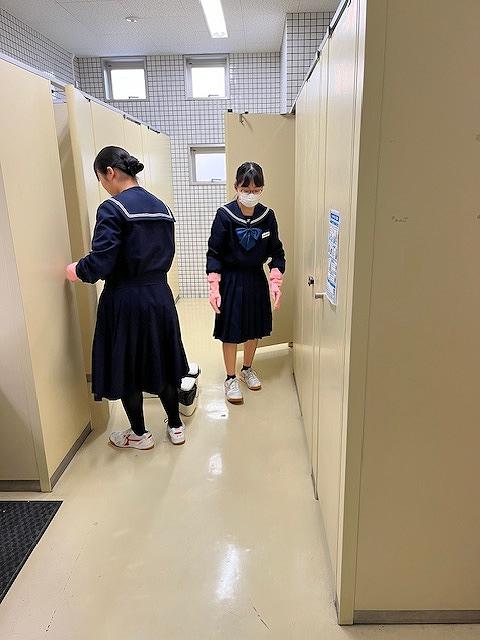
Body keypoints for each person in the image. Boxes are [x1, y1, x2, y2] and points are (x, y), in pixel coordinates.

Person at [66, 146, 188, 449]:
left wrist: (77, 270)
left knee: (128, 364)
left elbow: (102, 262)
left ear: (110, 173)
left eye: (101, 180)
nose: (104, 187)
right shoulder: (162, 207)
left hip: (125, 299)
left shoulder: (112, 208)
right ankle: (175, 426)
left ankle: (139, 434)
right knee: (162, 358)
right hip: (160, 296)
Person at [206, 162, 285, 405]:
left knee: (253, 327)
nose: (251, 194)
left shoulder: (267, 216)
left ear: (262, 188)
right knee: (231, 330)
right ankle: (230, 378)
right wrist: (214, 286)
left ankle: (247, 369)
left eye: (256, 190)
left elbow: (277, 252)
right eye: (246, 189)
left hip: (255, 278)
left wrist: (275, 280)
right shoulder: (225, 215)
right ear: (236, 187)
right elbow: (214, 253)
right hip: (231, 279)